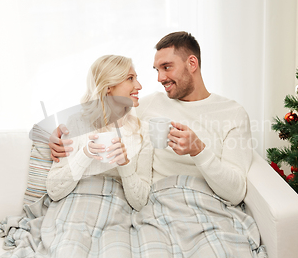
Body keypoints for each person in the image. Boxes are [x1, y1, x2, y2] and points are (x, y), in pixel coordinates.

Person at [50, 32, 251, 206]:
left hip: (208, 202)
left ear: (192, 63)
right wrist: (57, 134)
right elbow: (102, 109)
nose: (159, 78)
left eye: (166, 67)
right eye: (157, 70)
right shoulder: (150, 104)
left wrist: (198, 150)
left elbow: (235, 193)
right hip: (159, 202)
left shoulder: (232, 114)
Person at [46, 54, 152, 211]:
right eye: (130, 78)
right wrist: (85, 153)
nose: (139, 86)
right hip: (77, 208)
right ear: (109, 86)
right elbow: (54, 191)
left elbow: (141, 203)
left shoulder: (142, 131)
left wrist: (124, 164)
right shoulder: (76, 123)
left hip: (116, 212)